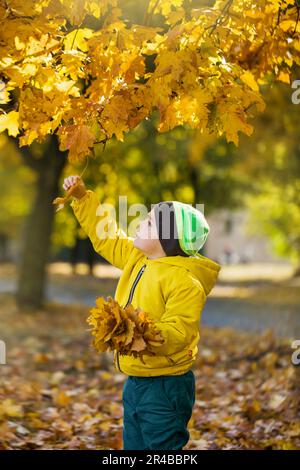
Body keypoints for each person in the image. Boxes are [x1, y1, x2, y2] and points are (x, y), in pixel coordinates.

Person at [63, 175, 221, 450]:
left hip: (166, 386)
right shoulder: (138, 259)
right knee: (134, 445)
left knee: (161, 448)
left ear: (168, 239)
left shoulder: (185, 282)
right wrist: (82, 198)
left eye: (148, 223)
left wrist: (139, 333)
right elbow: (107, 238)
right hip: (135, 380)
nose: (139, 223)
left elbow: (180, 331)